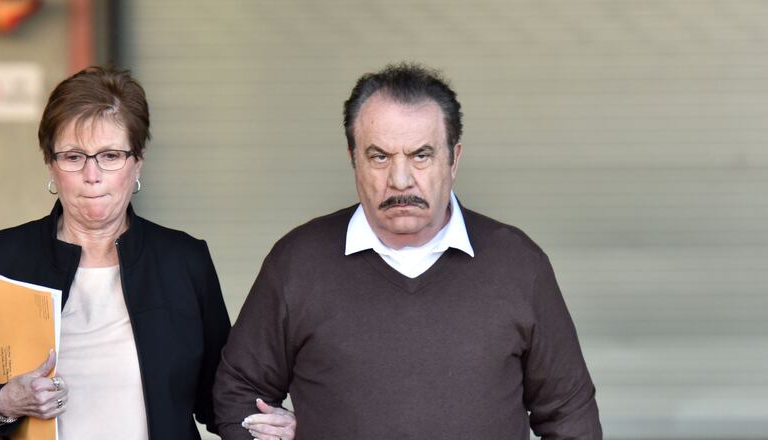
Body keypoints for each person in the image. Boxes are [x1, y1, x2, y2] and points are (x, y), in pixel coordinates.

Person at [214, 63, 603, 439]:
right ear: (353, 160)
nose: (400, 180)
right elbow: (239, 392)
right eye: (379, 157)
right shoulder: (297, 263)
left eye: (421, 155)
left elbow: (571, 416)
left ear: (454, 160)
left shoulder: (518, 264)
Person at [0, 66, 295, 440]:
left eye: (110, 156)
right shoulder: (0, 259)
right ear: (50, 162)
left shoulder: (183, 261)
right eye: (73, 156)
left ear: (138, 160)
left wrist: (272, 424)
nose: (92, 175)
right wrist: (1, 404)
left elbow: (220, 396)